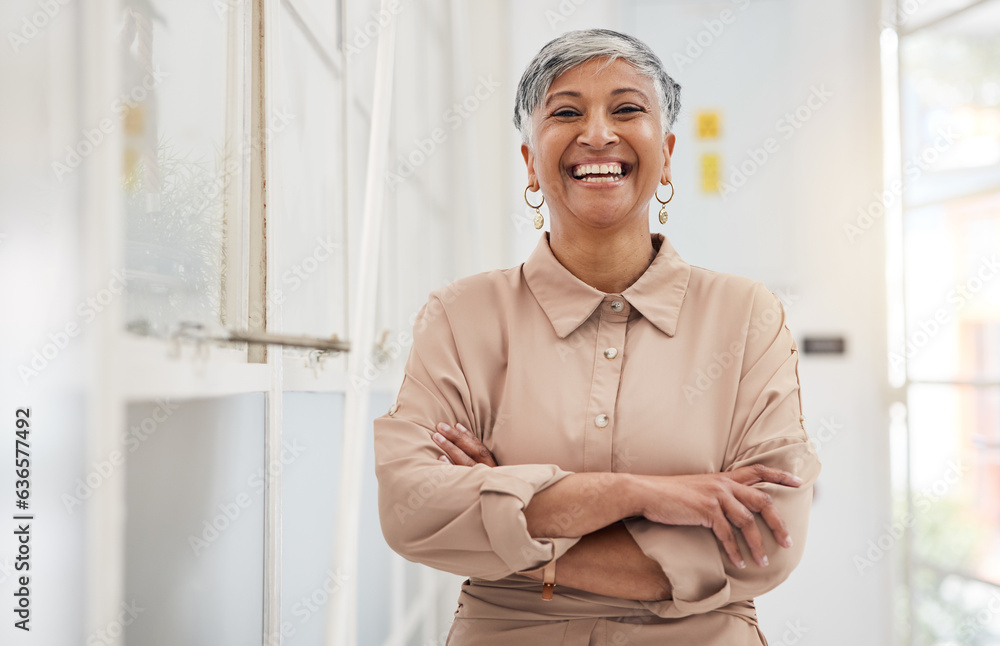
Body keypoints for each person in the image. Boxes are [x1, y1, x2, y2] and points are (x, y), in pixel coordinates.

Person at [373, 28, 821, 645]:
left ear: (665, 153)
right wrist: (643, 495)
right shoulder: (460, 315)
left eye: (627, 108)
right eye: (566, 112)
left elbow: (766, 543)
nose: (598, 134)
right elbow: (411, 510)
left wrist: (508, 518)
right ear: (531, 162)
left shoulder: (746, 315)